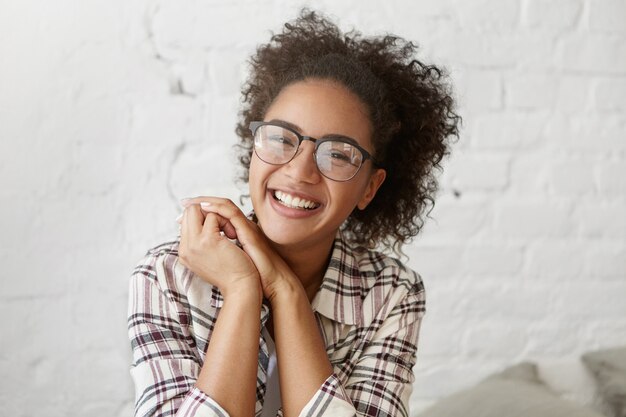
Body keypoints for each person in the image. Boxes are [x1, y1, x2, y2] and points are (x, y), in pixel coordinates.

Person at [128, 9, 459, 417]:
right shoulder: (168, 275)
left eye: (337, 154)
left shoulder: (391, 294)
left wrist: (285, 293)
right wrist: (242, 289)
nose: (299, 172)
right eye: (282, 138)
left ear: (369, 187)